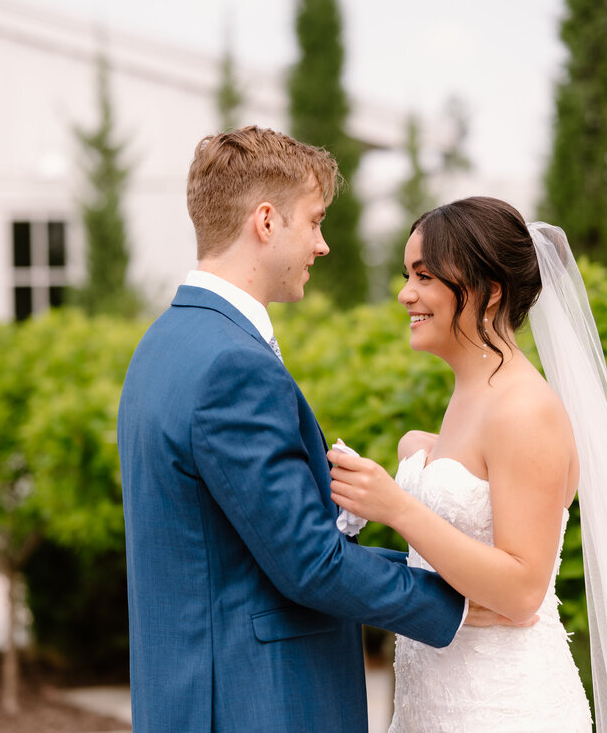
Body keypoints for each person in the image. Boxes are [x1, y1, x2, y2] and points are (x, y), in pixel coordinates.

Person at [118, 127, 486, 733]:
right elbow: (310, 565)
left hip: (188, 698)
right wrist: (463, 597)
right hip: (255, 704)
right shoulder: (232, 365)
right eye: (314, 222)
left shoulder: (162, 345)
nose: (323, 245)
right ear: (266, 222)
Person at [329, 197, 607, 732]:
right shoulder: (475, 396)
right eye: (408, 274)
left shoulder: (526, 409)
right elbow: (482, 481)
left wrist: (401, 508)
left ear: (489, 291)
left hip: (502, 708)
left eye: (425, 276)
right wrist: (421, 452)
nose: (407, 293)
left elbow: (523, 590)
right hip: (431, 703)